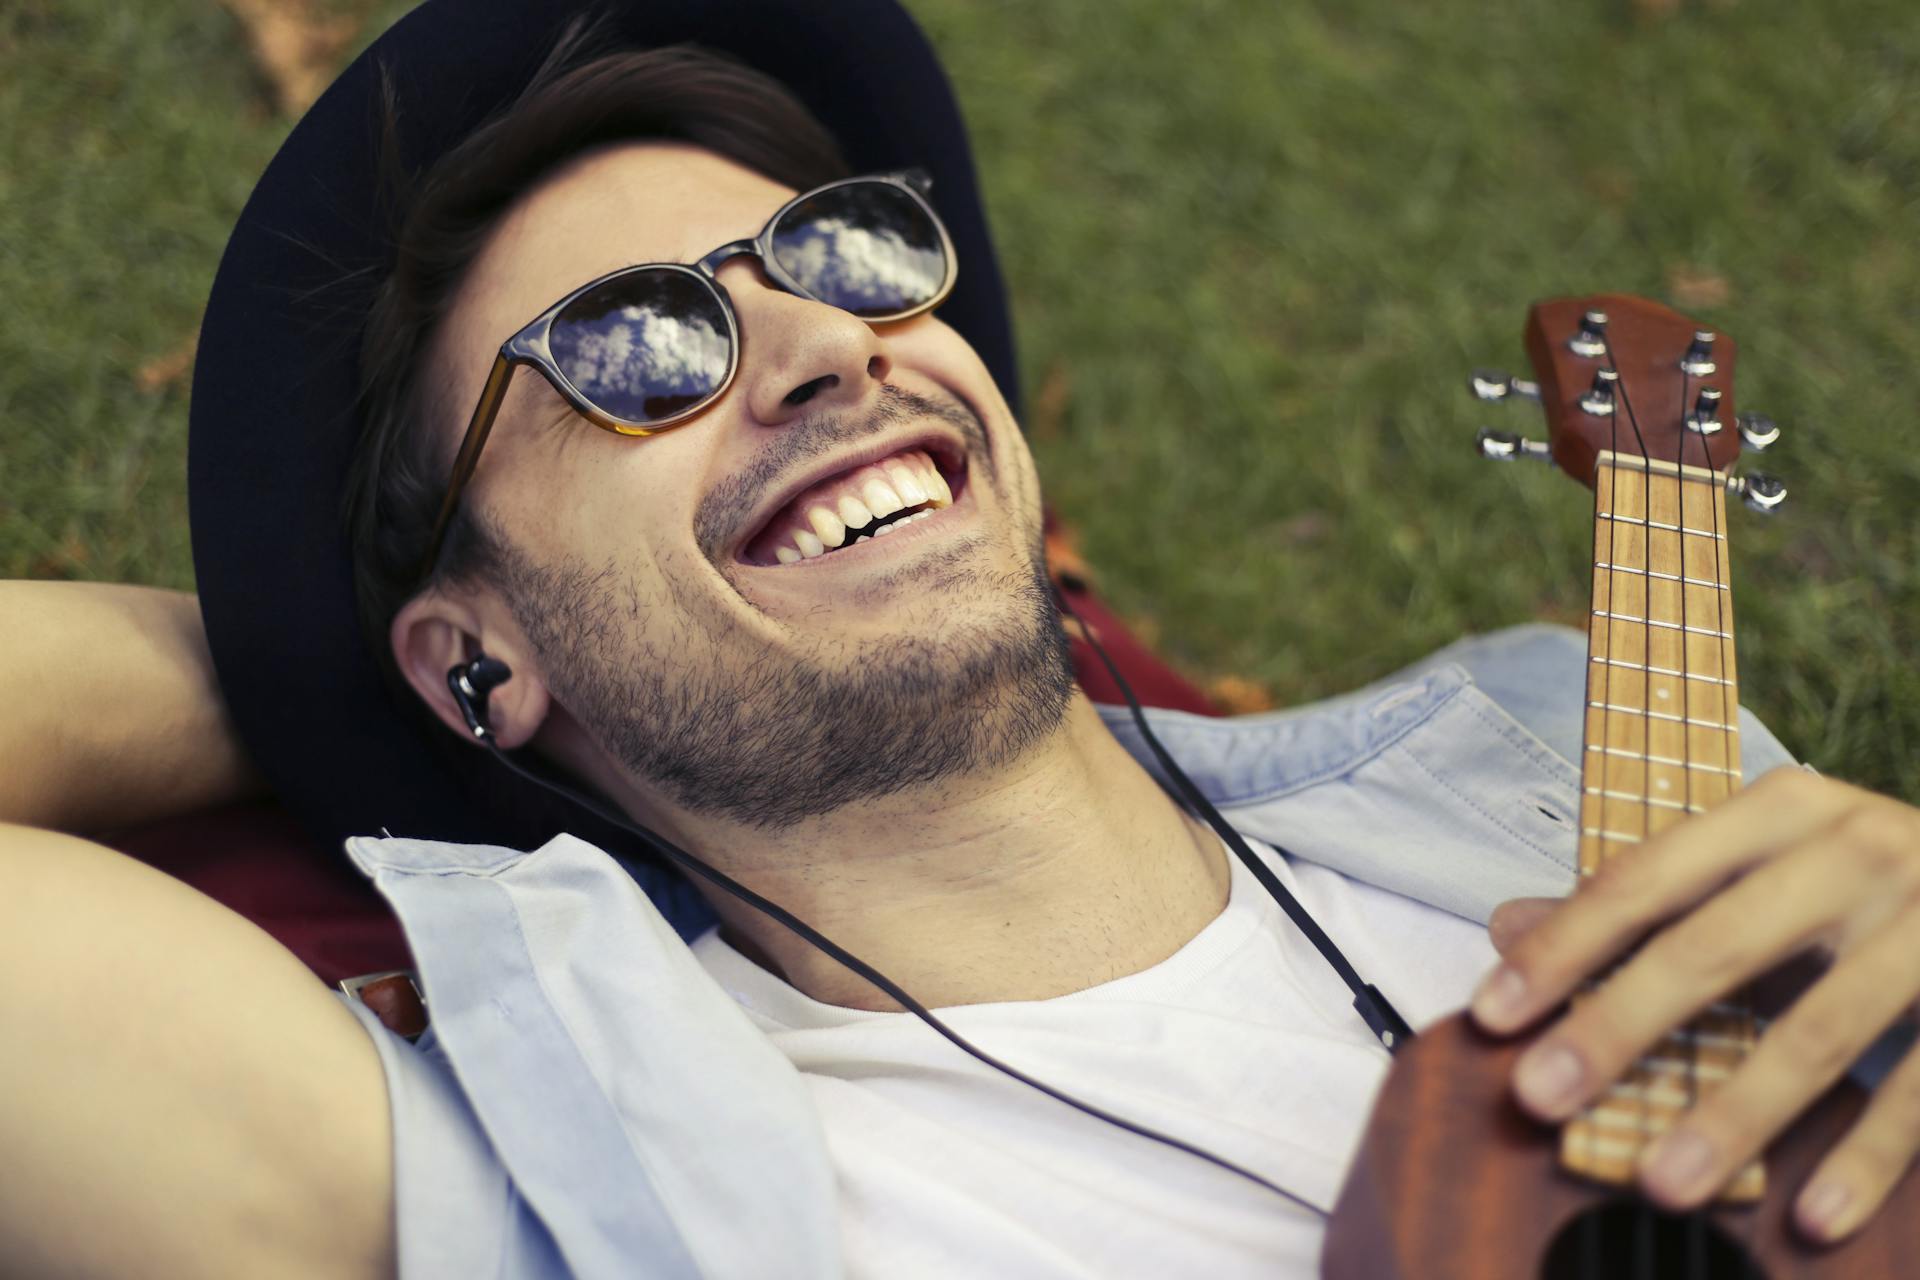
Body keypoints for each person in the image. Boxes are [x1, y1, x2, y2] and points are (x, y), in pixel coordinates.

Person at [7, 10, 1920, 1279]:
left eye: (845, 256)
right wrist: (294, 689)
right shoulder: (528, 1178)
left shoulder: (1583, 773)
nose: (832, 347)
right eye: (638, 347)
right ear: (476, 657)